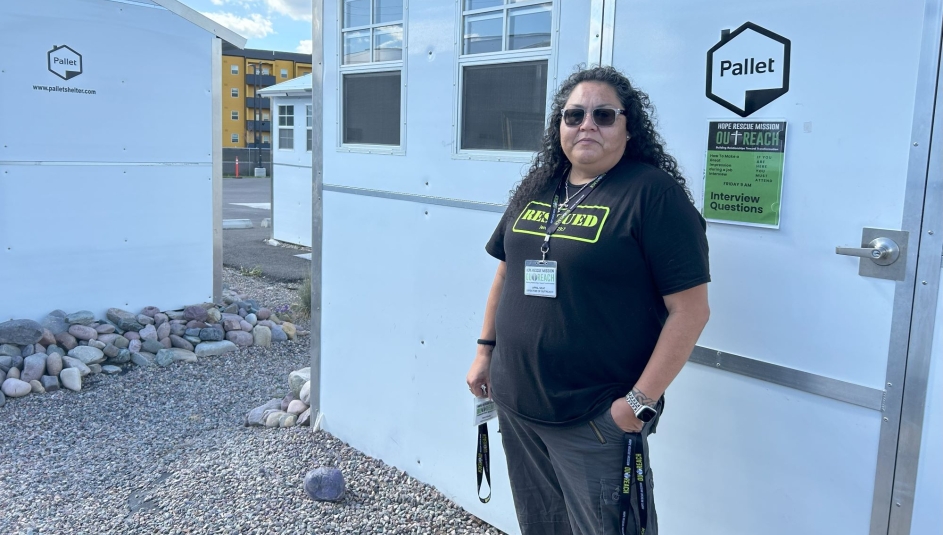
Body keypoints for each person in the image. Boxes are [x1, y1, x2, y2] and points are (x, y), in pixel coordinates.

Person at [465, 65, 711, 535]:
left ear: (628, 126)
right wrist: (484, 353)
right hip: (517, 401)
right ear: (559, 124)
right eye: (573, 115)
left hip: (595, 416)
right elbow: (505, 271)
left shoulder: (652, 195)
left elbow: (691, 310)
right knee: (542, 525)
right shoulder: (540, 187)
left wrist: (637, 404)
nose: (586, 125)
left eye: (603, 115)